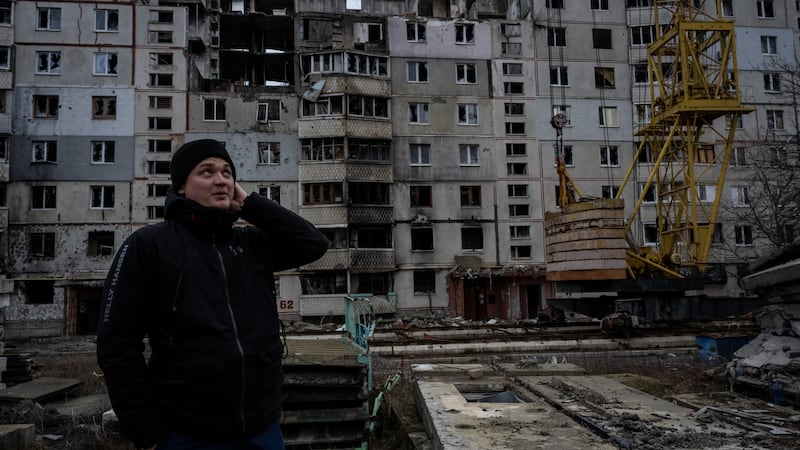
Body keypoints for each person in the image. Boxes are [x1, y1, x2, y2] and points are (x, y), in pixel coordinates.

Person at [96, 139, 329, 450]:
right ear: (180, 187)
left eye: (227, 172)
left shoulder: (250, 244)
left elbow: (313, 244)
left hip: (262, 429)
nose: (222, 180)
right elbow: (117, 343)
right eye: (207, 172)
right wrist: (146, 432)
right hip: (187, 434)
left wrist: (250, 205)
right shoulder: (149, 246)